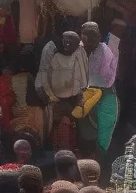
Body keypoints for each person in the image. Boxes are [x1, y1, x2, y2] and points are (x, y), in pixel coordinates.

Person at [36, 31, 88, 151]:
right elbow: (42, 80)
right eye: (66, 41)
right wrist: (50, 98)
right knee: (56, 130)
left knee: (70, 129)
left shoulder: (78, 53)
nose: (68, 44)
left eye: (72, 42)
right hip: (54, 100)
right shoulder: (51, 51)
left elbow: (81, 80)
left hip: (71, 100)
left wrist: (80, 99)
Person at [74, 21, 119, 158]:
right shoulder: (78, 51)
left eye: (94, 35)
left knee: (103, 133)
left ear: (99, 36)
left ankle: (100, 161)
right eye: (86, 35)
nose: (90, 39)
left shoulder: (105, 52)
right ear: (81, 36)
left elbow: (101, 80)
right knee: (85, 131)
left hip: (105, 95)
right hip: (84, 95)